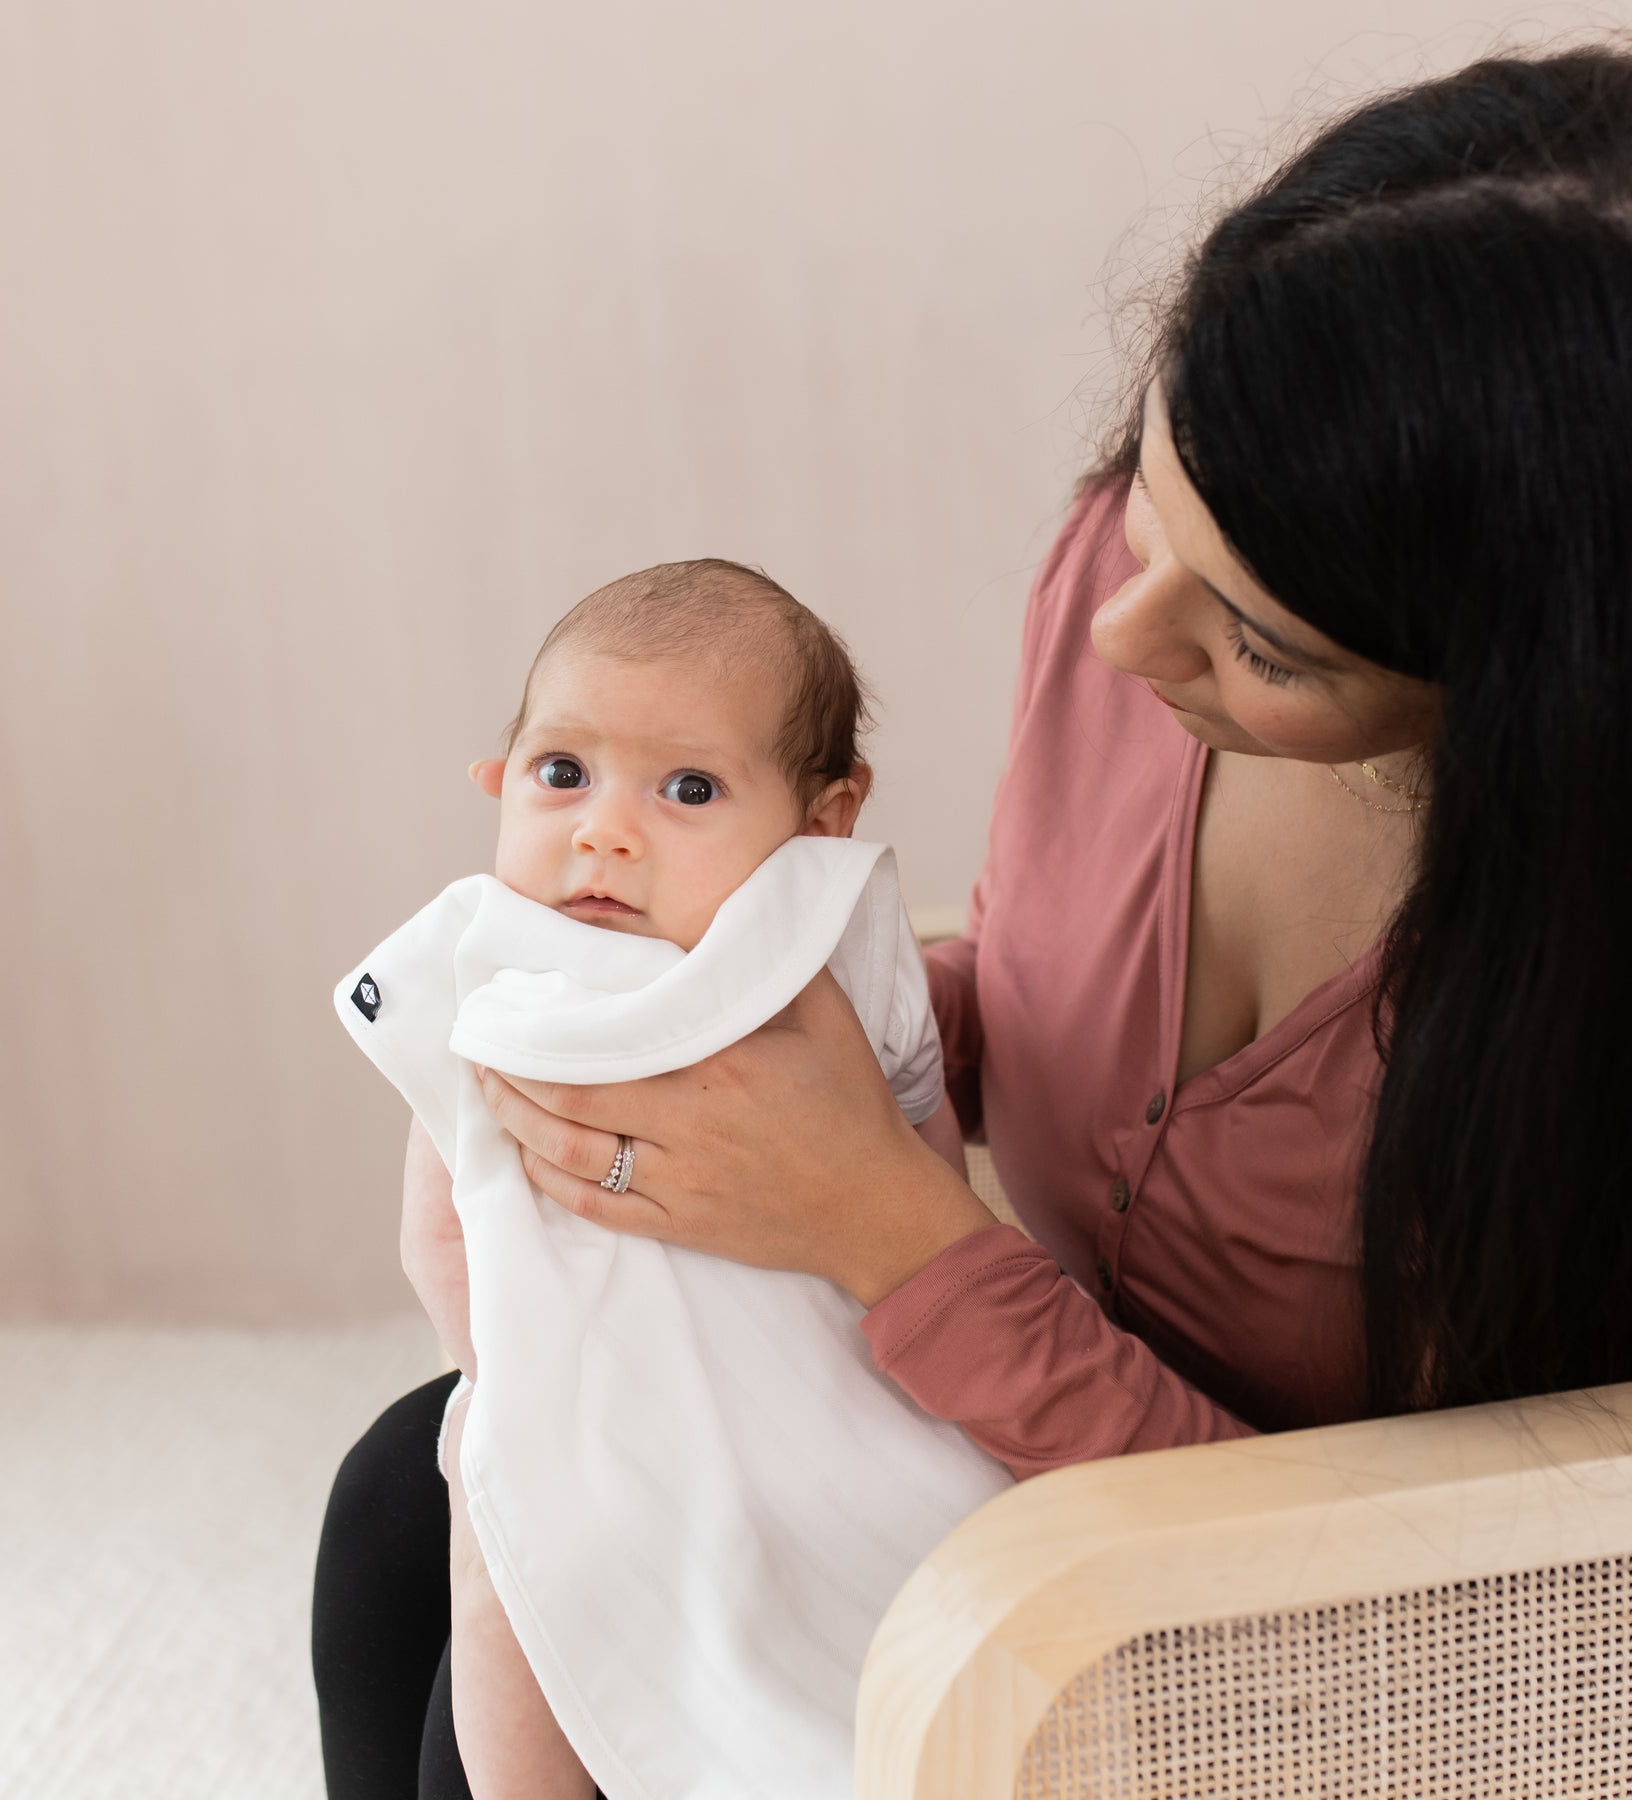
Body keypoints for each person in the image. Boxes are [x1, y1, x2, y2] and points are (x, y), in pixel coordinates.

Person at [314, 41, 1632, 1799]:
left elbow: (1505, 1584)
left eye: (1265, 644)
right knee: (420, 1508)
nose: (1123, 635)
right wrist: (763, 1032)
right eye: (1155, 512)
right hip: (990, 1428)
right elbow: (1041, 969)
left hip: (1343, 1638)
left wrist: (891, 1231)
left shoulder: (1580, 1010)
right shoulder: (1132, 588)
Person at [333, 556, 984, 1800]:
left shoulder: (836, 940)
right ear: (498, 783)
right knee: (507, 1545)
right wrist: (514, 1379)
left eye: (689, 788)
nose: (604, 830)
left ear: (823, 819)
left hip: (824, 1399)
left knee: (877, 1583)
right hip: (567, 1403)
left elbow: (925, 1171)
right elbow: (442, 1223)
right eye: (561, 774)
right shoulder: (496, 959)